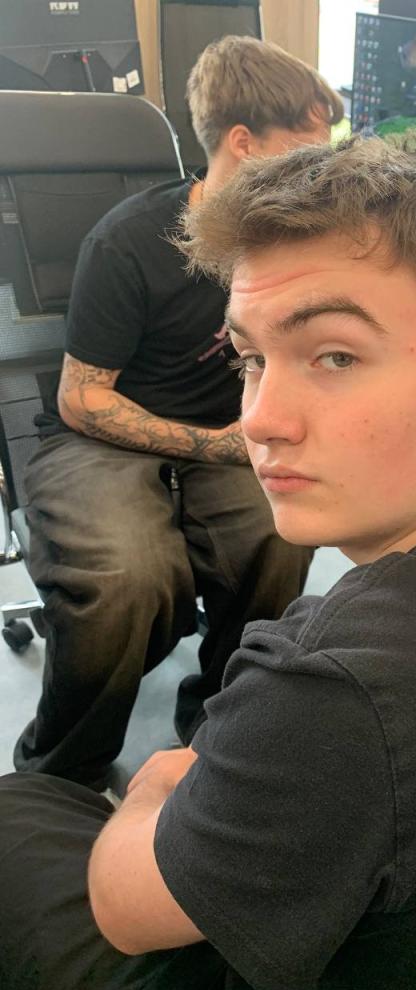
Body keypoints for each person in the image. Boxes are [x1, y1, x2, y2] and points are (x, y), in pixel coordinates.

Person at [0, 133, 416, 990]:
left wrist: (154, 781)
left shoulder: (338, 689)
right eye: (251, 360)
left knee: (16, 811)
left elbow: (121, 908)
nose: (259, 419)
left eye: (334, 356)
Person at [13, 36, 344, 787]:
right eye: (305, 151)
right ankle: (60, 774)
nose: (318, 171)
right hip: (102, 434)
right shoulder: (129, 241)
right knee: (127, 577)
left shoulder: (293, 239)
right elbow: (81, 396)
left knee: (278, 537)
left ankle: (217, 732)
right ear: (243, 143)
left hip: (232, 431)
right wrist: (214, 444)